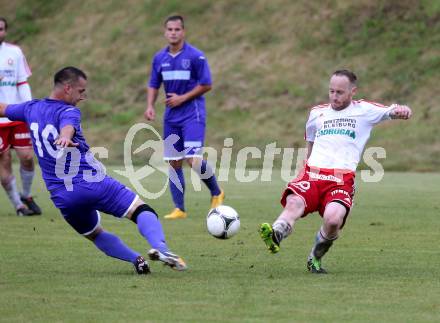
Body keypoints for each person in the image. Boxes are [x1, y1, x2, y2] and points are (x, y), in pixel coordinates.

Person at [0, 66, 187, 274]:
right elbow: (67, 125)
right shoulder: (69, 111)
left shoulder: (30, 108)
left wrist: (65, 136)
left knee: (94, 234)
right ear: (68, 88)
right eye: (81, 91)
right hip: (92, 182)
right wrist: (65, 136)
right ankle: (162, 248)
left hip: (62, 196)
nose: (83, 97)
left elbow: (4, 108)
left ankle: (137, 261)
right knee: (141, 210)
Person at [259, 69, 412, 274]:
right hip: (313, 173)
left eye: (340, 92)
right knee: (294, 202)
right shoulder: (317, 113)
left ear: (352, 92)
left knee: (333, 220)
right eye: (331, 91)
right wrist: (303, 169)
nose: (334, 96)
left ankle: (315, 257)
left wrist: (402, 110)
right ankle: (277, 233)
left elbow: (390, 111)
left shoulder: (364, 110)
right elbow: (310, 143)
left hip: (341, 179)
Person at [144, 15, 224, 220]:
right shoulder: (159, 58)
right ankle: (179, 209)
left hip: (192, 114)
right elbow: (154, 84)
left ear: (183, 32)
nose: (173, 33)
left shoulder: (196, 56)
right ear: (165, 32)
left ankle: (217, 192)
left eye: (177, 29)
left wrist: (182, 98)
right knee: (173, 162)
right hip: (171, 116)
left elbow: (207, 84)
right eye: (169, 29)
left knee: (193, 159)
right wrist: (150, 106)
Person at [0, 17, 41, 216]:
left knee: (27, 157)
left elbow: (22, 82)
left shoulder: (14, 52)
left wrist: (29, 108)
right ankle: (18, 205)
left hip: (15, 114)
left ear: (5, 31)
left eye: (0, 29)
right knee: (4, 159)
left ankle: (26, 194)